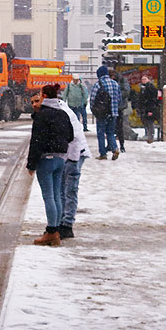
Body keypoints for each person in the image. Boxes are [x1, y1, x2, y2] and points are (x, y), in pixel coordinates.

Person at [26, 84, 74, 246]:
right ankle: (57, 230)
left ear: (45, 96)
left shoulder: (42, 115)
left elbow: (36, 141)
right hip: (61, 159)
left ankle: (51, 232)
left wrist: (31, 165)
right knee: (56, 195)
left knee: (49, 197)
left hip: (46, 159)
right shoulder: (62, 113)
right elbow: (70, 135)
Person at [50, 92, 92, 239]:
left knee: (69, 189)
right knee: (62, 189)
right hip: (69, 155)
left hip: (75, 154)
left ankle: (67, 225)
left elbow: (74, 138)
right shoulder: (61, 111)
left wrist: (72, 160)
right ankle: (62, 223)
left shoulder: (63, 113)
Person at [89, 65, 120, 161]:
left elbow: (92, 99)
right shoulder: (115, 84)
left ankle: (103, 154)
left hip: (102, 113)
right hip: (113, 113)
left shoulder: (98, 84)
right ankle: (115, 148)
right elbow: (119, 98)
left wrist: (94, 110)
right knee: (110, 132)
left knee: (101, 133)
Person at [109, 69, 130, 152]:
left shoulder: (122, 80)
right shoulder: (118, 81)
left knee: (119, 127)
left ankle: (121, 145)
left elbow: (127, 91)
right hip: (112, 107)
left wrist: (116, 95)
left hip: (119, 107)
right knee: (111, 128)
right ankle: (112, 144)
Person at [136, 74, 159, 144]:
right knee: (146, 122)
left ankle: (150, 136)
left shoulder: (150, 87)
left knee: (149, 122)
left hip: (149, 108)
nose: (143, 80)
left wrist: (151, 109)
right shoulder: (143, 88)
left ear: (148, 79)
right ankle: (148, 135)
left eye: (145, 79)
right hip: (145, 108)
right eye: (142, 79)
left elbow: (152, 99)